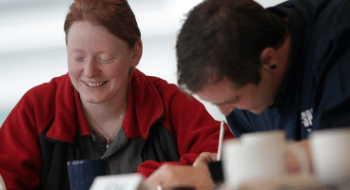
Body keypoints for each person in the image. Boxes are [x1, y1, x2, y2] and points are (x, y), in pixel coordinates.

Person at [0, 0, 234, 189]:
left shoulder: (169, 104)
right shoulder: (37, 109)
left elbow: (230, 157)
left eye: (105, 58)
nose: (90, 72)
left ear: (135, 53)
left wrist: (160, 177)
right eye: (78, 57)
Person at [149, 0, 350, 189]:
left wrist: (222, 173)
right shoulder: (240, 80)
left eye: (234, 100)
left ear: (268, 60)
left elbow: (339, 151)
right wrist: (232, 163)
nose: (225, 112)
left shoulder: (339, 38)